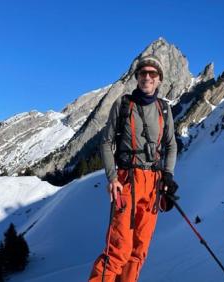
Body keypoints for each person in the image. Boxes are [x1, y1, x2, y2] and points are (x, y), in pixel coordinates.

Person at [89, 55, 178, 282]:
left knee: (139, 250)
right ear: (137, 77)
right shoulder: (123, 104)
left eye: (153, 74)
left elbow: (171, 144)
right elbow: (106, 142)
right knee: (119, 248)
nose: (147, 77)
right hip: (127, 180)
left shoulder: (164, 110)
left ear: (159, 80)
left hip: (154, 185)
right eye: (143, 73)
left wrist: (167, 175)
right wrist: (112, 178)